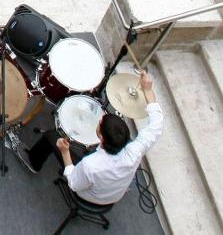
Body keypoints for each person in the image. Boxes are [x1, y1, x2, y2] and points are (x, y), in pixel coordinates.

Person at [56, 71, 163, 206]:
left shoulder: (91, 165)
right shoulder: (136, 151)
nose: (98, 121)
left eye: (99, 123)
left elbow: (73, 184)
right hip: (115, 196)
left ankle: (32, 160)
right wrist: (147, 90)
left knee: (50, 137)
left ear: (102, 138)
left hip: (90, 197)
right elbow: (157, 125)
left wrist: (65, 152)